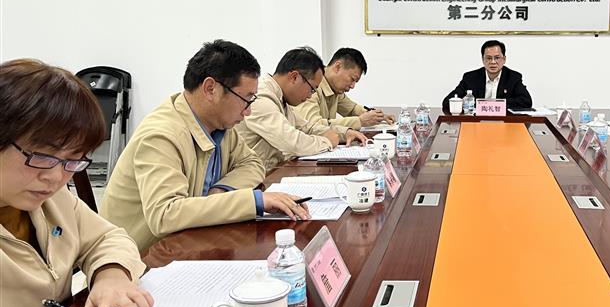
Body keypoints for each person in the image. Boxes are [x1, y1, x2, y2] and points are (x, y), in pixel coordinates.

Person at [1, 59, 152, 307]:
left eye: (73, 160)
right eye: (41, 156)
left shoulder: (48, 198)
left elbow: (106, 238)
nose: (56, 177)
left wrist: (111, 273)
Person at [102, 40, 309, 253]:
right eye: (246, 100)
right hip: (141, 259)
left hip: (189, 244)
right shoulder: (161, 135)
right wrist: (254, 201)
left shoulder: (220, 125)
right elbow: (165, 214)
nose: (248, 112)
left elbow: (252, 163)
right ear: (211, 89)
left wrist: (222, 190)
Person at [237, 47, 367, 172]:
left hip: (273, 171)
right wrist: (327, 142)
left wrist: (344, 133)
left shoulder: (282, 98)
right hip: (256, 179)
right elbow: (292, 143)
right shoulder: (261, 97)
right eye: (312, 89)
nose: (310, 95)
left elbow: (307, 127)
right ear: (294, 77)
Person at [294, 48, 393, 131]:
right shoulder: (311, 88)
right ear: (338, 67)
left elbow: (352, 109)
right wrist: (359, 121)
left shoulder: (334, 89)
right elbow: (313, 125)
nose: (352, 86)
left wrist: (377, 116)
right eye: (352, 79)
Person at [441, 40, 532, 113]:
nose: (493, 62)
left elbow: (526, 101)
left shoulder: (513, 77)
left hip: (504, 123)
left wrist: (495, 104)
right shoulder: (470, 78)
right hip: (476, 123)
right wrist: (468, 104)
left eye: (497, 58)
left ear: (504, 59)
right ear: (483, 59)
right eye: (488, 58)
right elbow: (447, 102)